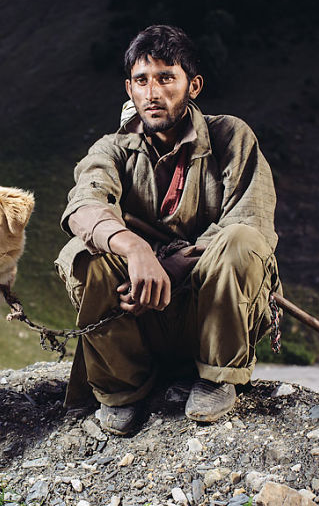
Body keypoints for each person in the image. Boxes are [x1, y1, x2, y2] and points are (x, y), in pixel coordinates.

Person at [55, 24, 281, 435]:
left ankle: (216, 377)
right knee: (84, 253)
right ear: (129, 88)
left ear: (192, 85)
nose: (153, 92)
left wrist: (176, 266)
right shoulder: (112, 149)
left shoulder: (230, 136)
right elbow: (83, 208)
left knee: (242, 241)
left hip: (208, 311)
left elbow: (250, 220)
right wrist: (136, 251)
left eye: (166, 78)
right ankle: (124, 389)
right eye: (142, 80)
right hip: (139, 312)